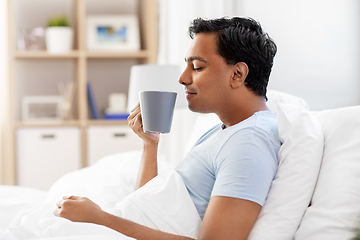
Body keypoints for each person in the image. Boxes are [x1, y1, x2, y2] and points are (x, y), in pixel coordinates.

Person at [54, 16, 279, 240]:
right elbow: (150, 207)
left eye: (198, 67)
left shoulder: (249, 142)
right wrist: (150, 145)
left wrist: (100, 219)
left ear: (237, 74)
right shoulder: (226, 131)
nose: (182, 78)